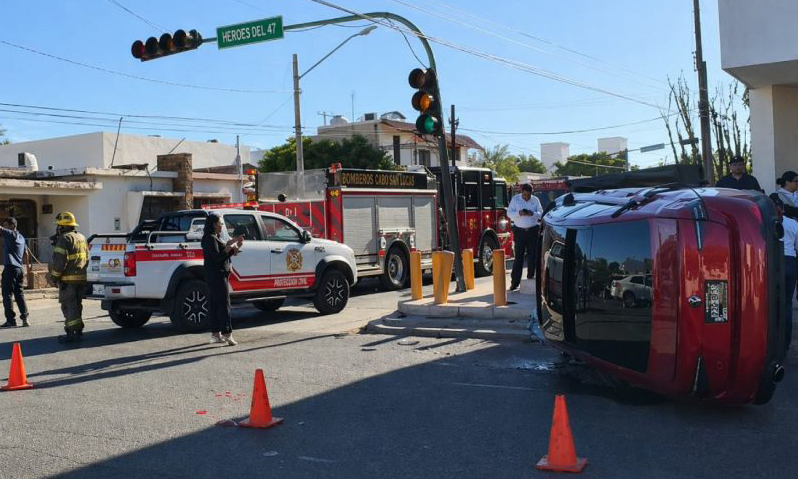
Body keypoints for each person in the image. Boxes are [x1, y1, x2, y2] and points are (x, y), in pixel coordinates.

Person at [201, 214, 242, 346]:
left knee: (214, 304)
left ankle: (215, 334)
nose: (222, 226)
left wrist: (234, 245)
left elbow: (223, 251)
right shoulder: (210, 239)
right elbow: (218, 257)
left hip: (214, 275)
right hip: (217, 275)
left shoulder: (214, 238)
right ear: (214, 224)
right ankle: (227, 334)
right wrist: (230, 249)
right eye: (220, 223)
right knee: (224, 304)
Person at [49, 212, 89, 344]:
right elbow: (86, 258)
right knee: (77, 305)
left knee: (69, 306)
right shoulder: (81, 237)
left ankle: (72, 333)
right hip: (81, 279)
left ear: (63, 226)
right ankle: (78, 330)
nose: (58, 228)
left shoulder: (64, 239)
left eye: (59, 226)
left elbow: (59, 262)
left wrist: (54, 277)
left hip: (68, 280)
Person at [507, 183, 543, 291]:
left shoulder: (535, 200)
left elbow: (541, 213)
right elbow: (509, 213)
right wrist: (519, 213)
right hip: (519, 232)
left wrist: (533, 214)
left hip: (533, 230)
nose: (526, 197)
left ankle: (530, 277)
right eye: (525, 195)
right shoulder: (515, 199)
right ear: (521, 192)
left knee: (533, 256)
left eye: (528, 195)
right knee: (519, 257)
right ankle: (515, 282)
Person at [771, 196, 796, 351]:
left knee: (771, 304)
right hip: (790, 262)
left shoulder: (764, 222)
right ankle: (785, 342)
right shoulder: (793, 224)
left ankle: (772, 340)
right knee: (787, 304)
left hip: (772, 262)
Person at [0, 218, 29, 328]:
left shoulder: (11, 234)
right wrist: (26, 269)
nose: (4, 227)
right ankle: (25, 317)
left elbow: (1, 229)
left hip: (10, 268)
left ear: (12, 226)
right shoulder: (21, 237)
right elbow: (26, 253)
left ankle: (10, 320)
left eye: (6, 225)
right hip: (19, 269)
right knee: (19, 294)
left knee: (7, 295)